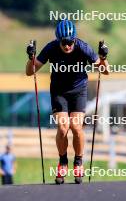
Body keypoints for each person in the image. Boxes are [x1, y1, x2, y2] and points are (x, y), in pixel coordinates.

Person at [26, 19, 109, 183]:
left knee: (76, 127)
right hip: (59, 91)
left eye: (70, 42)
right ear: (58, 40)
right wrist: (31, 57)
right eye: (64, 43)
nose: (67, 46)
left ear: (75, 39)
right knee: (63, 128)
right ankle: (63, 161)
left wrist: (103, 57)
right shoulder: (51, 48)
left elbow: (105, 71)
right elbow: (31, 71)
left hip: (79, 90)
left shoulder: (83, 47)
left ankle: (78, 162)